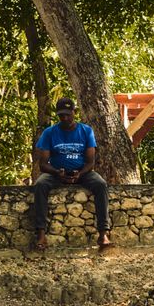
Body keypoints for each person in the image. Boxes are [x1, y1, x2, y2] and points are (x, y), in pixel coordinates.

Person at [32, 97, 112, 250]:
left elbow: (90, 162)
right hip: (56, 172)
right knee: (40, 184)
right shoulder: (49, 133)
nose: (65, 118)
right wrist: (56, 172)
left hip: (82, 172)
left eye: (68, 114)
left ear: (74, 112)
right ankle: (41, 233)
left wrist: (80, 174)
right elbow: (43, 164)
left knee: (100, 184)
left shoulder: (86, 131)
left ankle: (103, 233)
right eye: (62, 115)